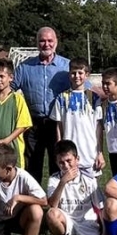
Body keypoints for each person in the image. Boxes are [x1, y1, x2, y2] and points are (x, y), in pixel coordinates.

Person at [13, 27, 72, 185]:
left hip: (57, 124)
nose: (46, 44)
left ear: (56, 42)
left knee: (58, 163)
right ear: (37, 43)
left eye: (50, 40)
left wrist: (109, 92)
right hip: (33, 124)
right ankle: (34, 198)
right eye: (42, 41)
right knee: (32, 164)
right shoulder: (25, 68)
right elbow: (7, 86)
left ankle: (58, 197)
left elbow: (85, 87)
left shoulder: (67, 66)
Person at [45, 140, 107, 235]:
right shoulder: (54, 180)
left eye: (69, 161)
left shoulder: (89, 179)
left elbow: (100, 208)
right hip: (68, 222)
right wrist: (63, 182)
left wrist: (104, 231)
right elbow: (52, 205)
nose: (66, 166)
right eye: (61, 163)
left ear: (77, 159)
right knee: (52, 214)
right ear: (56, 163)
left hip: (87, 226)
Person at [49, 59, 104, 177]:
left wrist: (100, 152)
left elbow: (99, 127)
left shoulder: (94, 98)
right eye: (73, 73)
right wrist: (59, 148)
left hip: (90, 152)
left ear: (87, 75)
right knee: (69, 185)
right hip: (69, 155)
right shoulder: (62, 98)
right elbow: (59, 126)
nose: (77, 76)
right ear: (69, 74)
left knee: (92, 187)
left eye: (80, 73)